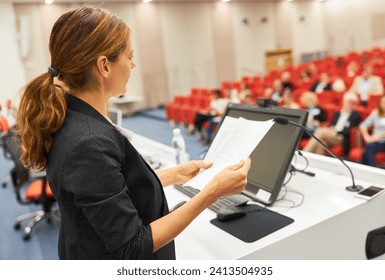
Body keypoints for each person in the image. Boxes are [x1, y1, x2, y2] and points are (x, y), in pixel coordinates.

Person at [16, 6, 251, 260]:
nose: (133, 63)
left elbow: (110, 191)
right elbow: (132, 248)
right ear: (104, 65)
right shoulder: (89, 142)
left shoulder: (73, 117)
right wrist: (211, 193)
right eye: (129, 56)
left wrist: (173, 174)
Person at [303, 92, 361, 157]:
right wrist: (330, 128)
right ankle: (319, 161)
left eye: (350, 102)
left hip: (341, 137)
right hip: (331, 134)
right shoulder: (337, 113)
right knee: (321, 141)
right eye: (346, 102)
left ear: (354, 104)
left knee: (320, 131)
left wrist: (335, 132)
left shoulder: (356, 116)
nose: (347, 104)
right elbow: (331, 124)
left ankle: (305, 153)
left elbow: (347, 130)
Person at [359, 94, 385, 167]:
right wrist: (367, 137)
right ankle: (369, 169)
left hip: (384, 143)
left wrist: (379, 136)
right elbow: (363, 125)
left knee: (368, 148)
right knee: (368, 147)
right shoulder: (375, 113)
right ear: (380, 103)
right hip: (373, 141)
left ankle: (368, 168)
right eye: (383, 102)